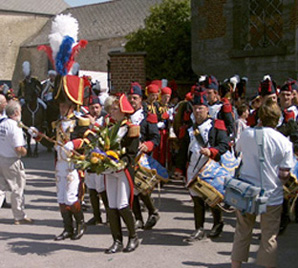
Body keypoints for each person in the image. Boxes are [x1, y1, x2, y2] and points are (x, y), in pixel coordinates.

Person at [231, 99, 294, 268]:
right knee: (269, 236)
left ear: (260, 116)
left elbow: (238, 151)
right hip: (271, 194)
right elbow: (284, 173)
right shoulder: (284, 142)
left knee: (242, 232)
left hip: (247, 192)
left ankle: (235, 266)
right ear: (277, 119)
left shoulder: (247, 134)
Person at [174, 87, 229, 241]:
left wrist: (211, 151)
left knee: (212, 199)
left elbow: (224, 145)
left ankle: (218, 223)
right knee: (197, 200)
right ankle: (199, 229)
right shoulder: (189, 129)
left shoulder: (217, 125)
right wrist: (179, 168)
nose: (198, 111)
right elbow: (183, 150)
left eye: (201, 108)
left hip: (210, 168)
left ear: (207, 109)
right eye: (195, 108)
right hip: (193, 168)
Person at [104, 94, 140, 254]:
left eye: (114, 108)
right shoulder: (109, 128)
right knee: (111, 206)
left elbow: (132, 153)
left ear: (123, 110)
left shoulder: (131, 128)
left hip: (123, 171)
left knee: (122, 204)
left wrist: (121, 162)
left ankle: (133, 237)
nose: (111, 111)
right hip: (109, 170)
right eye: (111, 108)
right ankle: (117, 241)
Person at [127, 83, 161, 230]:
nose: (132, 101)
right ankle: (138, 218)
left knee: (142, 188)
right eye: (130, 98)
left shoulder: (148, 117)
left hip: (143, 158)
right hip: (128, 157)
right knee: (131, 189)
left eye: (134, 98)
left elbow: (155, 138)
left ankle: (152, 211)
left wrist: (148, 145)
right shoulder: (125, 116)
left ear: (141, 99)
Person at [0, 100, 33, 225]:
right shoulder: (15, 126)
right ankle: (19, 216)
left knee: (0, 188)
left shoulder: (2, 123)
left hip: (1, 157)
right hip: (11, 161)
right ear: (16, 112)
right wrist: (25, 151)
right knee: (17, 188)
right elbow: (18, 148)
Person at [84, 95, 109, 225]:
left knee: (102, 188)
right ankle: (96, 216)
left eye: (97, 107)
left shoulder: (106, 120)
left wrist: (94, 125)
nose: (95, 110)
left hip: (102, 157)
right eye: (92, 108)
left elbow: (106, 135)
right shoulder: (84, 119)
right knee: (91, 188)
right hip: (89, 157)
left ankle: (110, 217)